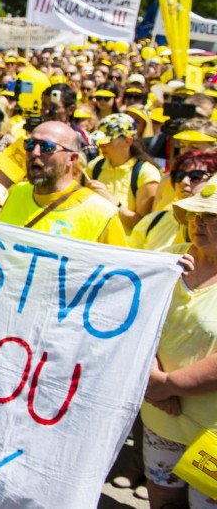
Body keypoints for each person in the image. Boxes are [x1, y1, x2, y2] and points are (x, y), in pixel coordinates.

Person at [141, 179, 217, 509]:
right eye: (196, 215)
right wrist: (153, 381)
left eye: (211, 217)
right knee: (162, 497)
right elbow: (134, 318)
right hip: (161, 415)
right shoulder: (168, 259)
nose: (198, 223)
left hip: (210, 431)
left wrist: (167, 385)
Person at [0, 121, 126, 245]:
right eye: (30, 144)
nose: (35, 152)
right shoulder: (15, 192)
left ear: (72, 159)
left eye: (47, 147)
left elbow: (120, 265)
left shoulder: (102, 213)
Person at [86, 113, 161, 232]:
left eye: (108, 141)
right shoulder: (94, 166)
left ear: (128, 141)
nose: (101, 145)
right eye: (100, 141)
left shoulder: (146, 173)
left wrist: (112, 202)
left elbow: (144, 225)